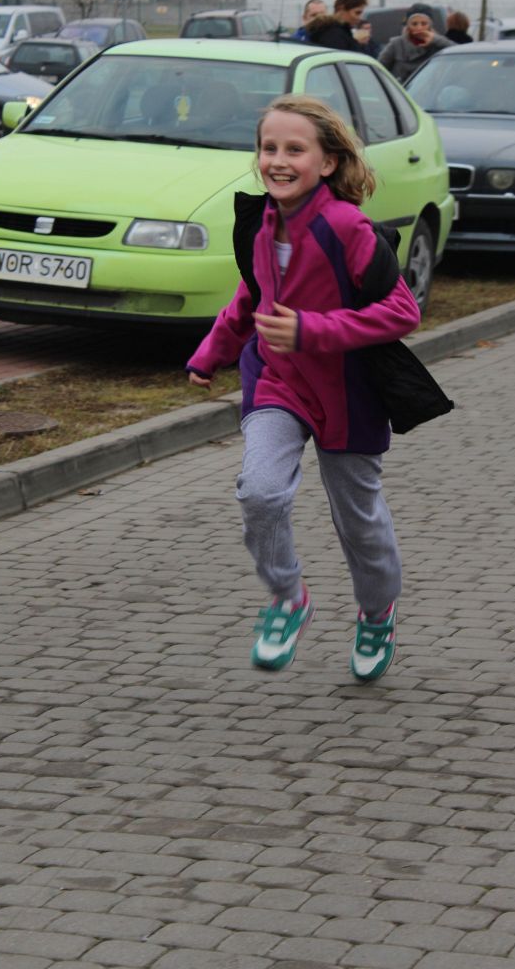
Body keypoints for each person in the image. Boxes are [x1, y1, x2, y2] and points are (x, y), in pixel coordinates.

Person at [187, 95, 421, 679]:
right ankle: (288, 598)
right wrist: (212, 352)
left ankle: (377, 613)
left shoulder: (348, 227)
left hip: (349, 391)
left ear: (328, 162)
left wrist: (311, 329)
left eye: (295, 149)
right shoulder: (263, 222)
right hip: (278, 382)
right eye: (269, 148)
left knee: (358, 521)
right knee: (260, 492)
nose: (278, 160)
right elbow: (252, 295)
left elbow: (403, 311)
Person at [379, 6, 453, 83]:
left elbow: (457, 53)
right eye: (414, 24)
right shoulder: (397, 44)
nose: (419, 28)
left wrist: (436, 39)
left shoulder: (438, 44)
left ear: (430, 25)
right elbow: (380, 68)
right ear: (408, 26)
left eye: (424, 23)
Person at [305, 0, 372, 54]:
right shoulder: (333, 35)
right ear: (342, 9)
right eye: (357, 13)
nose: (359, 18)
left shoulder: (341, 31)